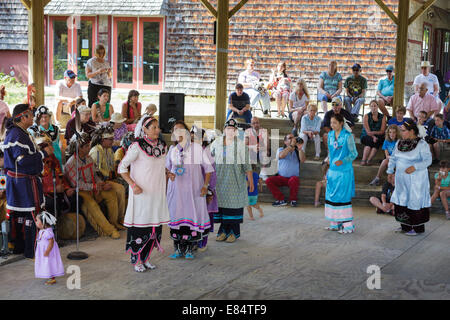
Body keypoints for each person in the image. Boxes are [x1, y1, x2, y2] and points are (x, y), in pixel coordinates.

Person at [118, 116, 170, 272]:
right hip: (142, 194)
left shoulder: (162, 145)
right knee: (141, 226)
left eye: (157, 127)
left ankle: (146, 258)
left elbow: (161, 166)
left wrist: (168, 173)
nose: (157, 130)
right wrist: (133, 185)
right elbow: (122, 167)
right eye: (153, 127)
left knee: (154, 227)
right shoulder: (137, 146)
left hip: (157, 193)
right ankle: (137, 260)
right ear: (144, 129)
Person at [1, 104, 53, 258]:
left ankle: (22, 247)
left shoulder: (20, 132)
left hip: (20, 181)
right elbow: (22, 160)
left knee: (21, 216)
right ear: (23, 117)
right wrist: (43, 153)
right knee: (31, 215)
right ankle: (30, 250)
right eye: (30, 115)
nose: (33, 117)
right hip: (23, 182)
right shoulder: (17, 135)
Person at [166, 120, 213, 259]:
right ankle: (178, 248)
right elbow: (167, 168)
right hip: (177, 191)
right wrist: (170, 174)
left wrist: (205, 186)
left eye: (181, 129)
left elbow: (208, 169)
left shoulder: (197, 149)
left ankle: (190, 248)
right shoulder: (172, 150)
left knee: (192, 217)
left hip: (194, 191)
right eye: (176, 130)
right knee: (177, 217)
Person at [64, 133, 120, 239]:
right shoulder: (71, 163)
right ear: (79, 149)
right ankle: (109, 230)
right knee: (92, 204)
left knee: (111, 194)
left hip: (93, 186)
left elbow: (95, 173)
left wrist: (100, 183)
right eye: (86, 146)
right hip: (80, 191)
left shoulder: (88, 158)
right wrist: (94, 186)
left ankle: (114, 223)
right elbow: (76, 184)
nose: (89, 147)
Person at [210, 118, 254, 243]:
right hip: (219, 181)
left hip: (235, 181)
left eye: (233, 129)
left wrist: (250, 181)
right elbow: (208, 157)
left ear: (236, 132)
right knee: (223, 207)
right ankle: (223, 230)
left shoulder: (240, 145)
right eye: (228, 129)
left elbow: (247, 165)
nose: (230, 131)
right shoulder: (216, 142)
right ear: (224, 130)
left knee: (233, 208)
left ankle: (234, 232)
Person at [387, 119, 432, 235]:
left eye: (403, 131)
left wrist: (415, 167)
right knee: (402, 199)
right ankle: (405, 226)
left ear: (411, 131)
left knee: (414, 200)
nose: (401, 133)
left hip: (416, 179)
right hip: (401, 179)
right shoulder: (399, 143)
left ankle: (417, 228)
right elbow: (393, 158)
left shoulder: (422, 144)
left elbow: (428, 160)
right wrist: (390, 171)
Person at [324, 113, 358, 234]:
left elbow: (354, 154)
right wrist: (328, 160)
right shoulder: (330, 135)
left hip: (344, 171)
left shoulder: (348, 136)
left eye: (334, 123)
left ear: (341, 123)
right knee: (331, 196)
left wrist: (343, 161)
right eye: (331, 123)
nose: (332, 125)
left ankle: (348, 225)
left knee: (343, 196)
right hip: (332, 171)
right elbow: (330, 151)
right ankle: (335, 223)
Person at [89, 126, 126, 229]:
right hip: (101, 182)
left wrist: (113, 173)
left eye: (112, 139)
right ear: (102, 140)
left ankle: (121, 218)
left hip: (108, 179)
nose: (112, 141)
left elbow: (112, 166)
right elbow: (96, 172)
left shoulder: (109, 150)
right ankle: (115, 221)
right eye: (110, 139)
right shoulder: (96, 151)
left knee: (124, 185)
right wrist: (106, 179)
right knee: (120, 189)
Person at [190, 126, 218, 252]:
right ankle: (194, 240)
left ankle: (203, 242)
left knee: (205, 216)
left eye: (196, 137)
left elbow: (211, 172)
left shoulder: (205, 151)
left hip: (203, 190)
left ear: (202, 138)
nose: (193, 140)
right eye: (191, 137)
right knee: (194, 216)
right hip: (192, 190)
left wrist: (209, 189)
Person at [266, 133, 306, 207]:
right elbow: (281, 155)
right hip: (281, 177)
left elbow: (303, 160)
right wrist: (291, 146)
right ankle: (281, 200)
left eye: (293, 138)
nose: (293, 139)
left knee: (294, 179)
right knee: (269, 180)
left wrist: (300, 149)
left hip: (292, 178)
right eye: (290, 138)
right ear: (285, 142)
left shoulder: (297, 151)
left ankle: (293, 200)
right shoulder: (280, 149)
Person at [34, 211, 64, 285]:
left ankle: (52, 278)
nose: (36, 222)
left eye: (37, 220)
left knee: (49, 263)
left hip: (49, 251)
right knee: (46, 263)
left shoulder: (48, 232)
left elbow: (51, 242)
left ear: (43, 222)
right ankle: (49, 276)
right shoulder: (42, 231)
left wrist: (47, 251)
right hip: (43, 251)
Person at [360, 100, 387, 166]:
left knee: (377, 142)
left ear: (377, 106)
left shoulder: (383, 117)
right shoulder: (366, 116)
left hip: (379, 135)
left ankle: (369, 160)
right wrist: (373, 136)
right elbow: (368, 131)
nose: (373, 107)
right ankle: (363, 160)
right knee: (370, 141)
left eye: (375, 106)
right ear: (370, 107)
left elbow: (382, 131)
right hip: (366, 135)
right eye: (371, 106)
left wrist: (374, 134)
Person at [86, 43, 112, 108]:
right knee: (93, 105)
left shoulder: (106, 62)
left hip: (106, 85)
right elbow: (88, 75)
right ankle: (93, 118)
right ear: (95, 52)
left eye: (103, 53)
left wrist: (109, 72)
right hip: (94, 85)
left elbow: (109, 76)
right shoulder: (91, 61)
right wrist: (97, 72)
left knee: (105, 105)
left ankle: (105, 118)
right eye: (99, 53)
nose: (101, 55)